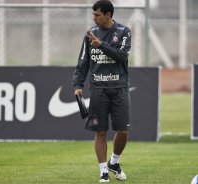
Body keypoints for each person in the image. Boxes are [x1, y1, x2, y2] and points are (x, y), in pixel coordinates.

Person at [72, 0, 132, 182]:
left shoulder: (124, 32)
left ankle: (114, 162)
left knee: (123, 131)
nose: (94, 18)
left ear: (108, 15)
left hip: (119, 88)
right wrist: (78, 85)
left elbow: (122, 56)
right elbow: (83, 61)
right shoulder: (90, 34)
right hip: (98, 89)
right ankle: (103, 170)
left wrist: (101, 46)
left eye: (97, 14)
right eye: (93, 14)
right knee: (100, 132)